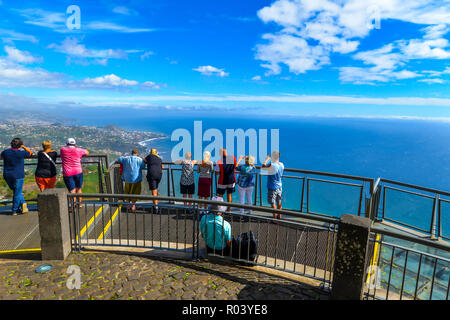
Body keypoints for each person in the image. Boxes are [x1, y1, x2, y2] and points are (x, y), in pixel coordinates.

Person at [0, 138, 32, 215]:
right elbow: (30, 153)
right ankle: (14, 210)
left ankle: (23, 204)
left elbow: (1, 156)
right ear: (20, 145)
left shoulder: (5, 152)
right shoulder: (21, 153)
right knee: (17, 193)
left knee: (16, 191)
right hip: (18, 175)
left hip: (7, 175)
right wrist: (23, 146)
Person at [60, 138, 89, 206]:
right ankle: (80, 204)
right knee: (79, 188)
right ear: (75, 144)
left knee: (72, 190)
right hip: (78, 171)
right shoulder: (79, 150)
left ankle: (73, 206)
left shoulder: (62, 149)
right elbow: (87, 152)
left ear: (66, 143)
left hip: (68, 173)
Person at [261, 150, 284, 219]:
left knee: (272, 203)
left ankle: (274, 219)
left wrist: (266, 159)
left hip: (272, 186)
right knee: (279, 201)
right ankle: (280, 216)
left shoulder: (272, 165)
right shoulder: (281, 164)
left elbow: (263, 167)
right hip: (279, 186)